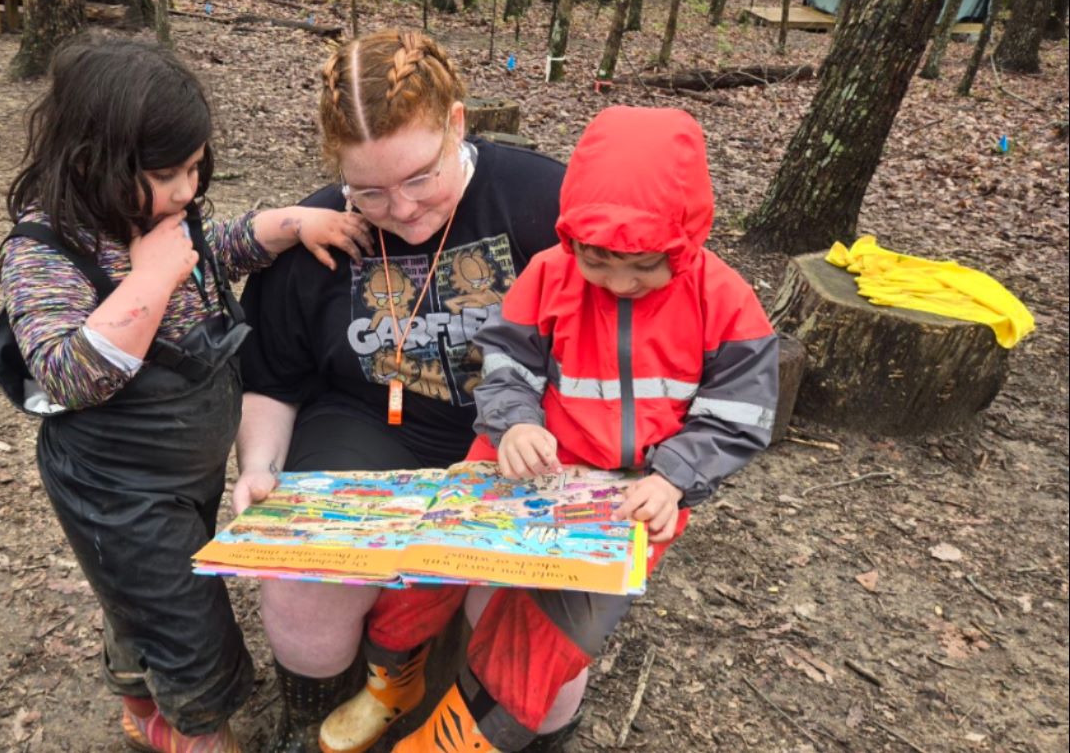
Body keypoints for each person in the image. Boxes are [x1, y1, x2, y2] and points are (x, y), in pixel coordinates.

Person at [320, 105, 781, 752]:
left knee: (553, 632)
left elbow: (742, 411)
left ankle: (462, 737)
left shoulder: (723, 300)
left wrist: (676, 476)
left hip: (635, 492)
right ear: (574, 238)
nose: (619, 283)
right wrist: (512, 425)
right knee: (430, 562)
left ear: (686, 238)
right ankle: (391, 679)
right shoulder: (552, 274)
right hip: (520, 457)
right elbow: (506, 359)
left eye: (645, 266)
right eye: (598, 260)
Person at [0, 36, 370, 753]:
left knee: (143, 594)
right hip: (116, 482)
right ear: (91, 161)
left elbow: (221, 248)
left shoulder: (163, 215)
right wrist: (148, 279)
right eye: (169, 174)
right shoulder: (44, 250)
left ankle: (141, 707)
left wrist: (292, 224)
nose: (188, 191)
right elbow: (66, 372)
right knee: (184, 618)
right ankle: (199, 730)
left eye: (196, 168)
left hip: (186, 465)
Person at [230, 29, 569, 751]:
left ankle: (499, 729)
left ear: (457, 125)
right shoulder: (319, 230)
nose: (405, 211)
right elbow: (273, 377)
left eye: (420, 178)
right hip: (365, 428)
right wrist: (259, 469)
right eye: (371, 191)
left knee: (530, 599)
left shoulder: (544, 202)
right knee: (300, 577)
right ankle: (316, 711)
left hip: (518, 438)